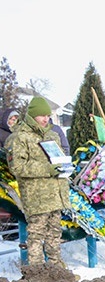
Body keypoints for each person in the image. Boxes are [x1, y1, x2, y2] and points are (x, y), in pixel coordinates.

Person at [6, 97, 70, 267]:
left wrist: (65, 167)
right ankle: (36, 275)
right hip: (37, 197)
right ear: (32, 116)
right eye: (42, 116)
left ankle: (57, 271)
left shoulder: (52, 135)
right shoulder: (19, 138)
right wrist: (47, 169)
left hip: (55, 194)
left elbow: (58, 160)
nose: (46, 119)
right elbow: (18, 167)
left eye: (48, 116)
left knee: (54, 234)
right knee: (36, 235)